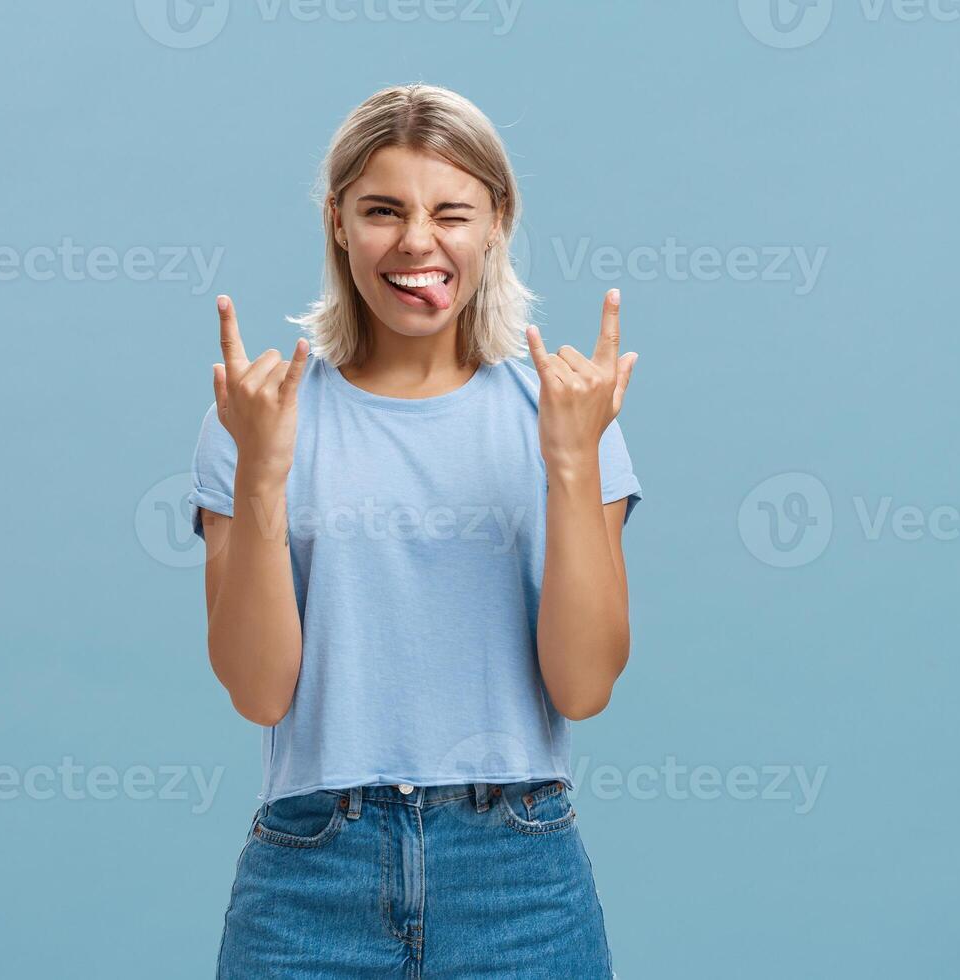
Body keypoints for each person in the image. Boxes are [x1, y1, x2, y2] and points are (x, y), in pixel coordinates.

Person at [189, 83, 642, 977]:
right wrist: (264, 471)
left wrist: (572, 462)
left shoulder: (563, 413)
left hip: (517, 873)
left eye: (452, 212)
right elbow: (258, 692)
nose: (418, 242)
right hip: (312, 872)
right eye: (383, 210)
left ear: (496, 223)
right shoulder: (258, 416)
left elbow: (584, 687)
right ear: (337, 222)